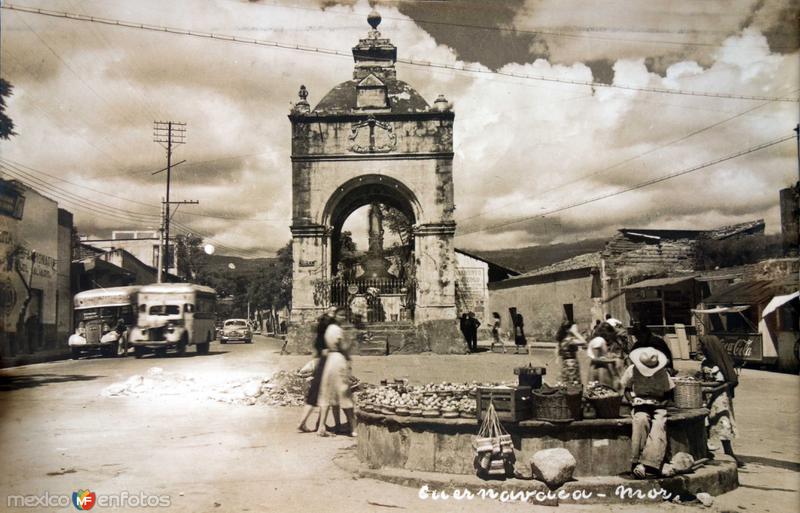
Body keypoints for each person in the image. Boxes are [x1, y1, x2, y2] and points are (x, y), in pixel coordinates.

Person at [621, 346, 675, 479]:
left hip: (658, 404)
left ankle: (648, 463)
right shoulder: (632, 370)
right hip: (640, 404)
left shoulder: (663, 373)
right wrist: (632, 401)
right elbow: (626, 389)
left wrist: (661, 403)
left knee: (659, 423)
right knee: (640, 420)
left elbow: (669, 394)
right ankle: (636, 461)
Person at [699, 335, 742, 467]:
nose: (700, 348)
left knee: (722, 424)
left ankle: (729, 453)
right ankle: (705, 452)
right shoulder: (705, 362)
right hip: (707, 396)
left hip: (720, 398)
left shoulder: (721, 363)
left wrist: (713, 389)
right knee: (705, 423)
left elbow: (731, 381)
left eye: (702, 345)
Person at [297, 307, 339, 433]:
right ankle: (321, 426)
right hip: (327, 363)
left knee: (314, 396)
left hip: (320, 362)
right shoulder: (330, 332)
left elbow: (316, 351)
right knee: (325, 396)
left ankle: (305, 422)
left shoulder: (319, 334)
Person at [316, 321, 356, 437]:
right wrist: (351, 342)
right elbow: (343, 347)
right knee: (344, 393)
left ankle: (322, 426)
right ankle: (353, 428)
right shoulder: (338, 330)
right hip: (338, 360)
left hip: (329, 361)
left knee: (328, 393)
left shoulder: (328, 330)